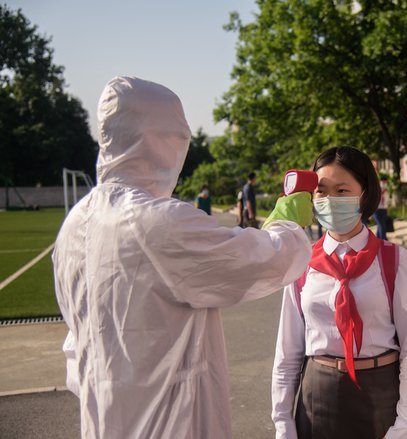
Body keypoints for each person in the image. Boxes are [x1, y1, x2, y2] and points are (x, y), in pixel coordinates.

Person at [52, 76, 314, 439]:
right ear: (160, 141)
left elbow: (75, 344)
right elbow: (261, 261)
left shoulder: (75, 224)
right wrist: (288, 220)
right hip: (171, 424)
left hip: (104, 420)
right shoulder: (158, 221)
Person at [271, 146, 407, 439]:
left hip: (379, 392)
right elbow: (287, 352)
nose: (330, 200)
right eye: (322, 191)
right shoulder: (302, 259)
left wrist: (405, 426)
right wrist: (283, 423)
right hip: (318, 394)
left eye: (342, 190)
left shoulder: (392, 259)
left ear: (364, 194)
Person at [374, 175, 390, 240]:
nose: (384, 183)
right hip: (377, 209)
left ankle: (378, 239)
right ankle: (383, 239)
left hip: (383, 208)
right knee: (381, 225)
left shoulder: (386, 189)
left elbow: (387, 200)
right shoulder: (377, 188)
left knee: (380, 225)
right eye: (384, 182)